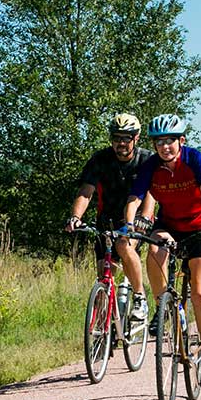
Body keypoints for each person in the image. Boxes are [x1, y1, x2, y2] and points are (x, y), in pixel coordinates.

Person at [124, 113, 201, 389]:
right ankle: (161, 306)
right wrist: (128, 223)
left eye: (170, 141)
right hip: (170, 225)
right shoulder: (152, 166)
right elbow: (135, 197)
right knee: (154, 246)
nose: (164, 147)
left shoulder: (194, 159)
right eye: (159, 142)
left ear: (181, 141)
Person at [64, 113, 153, 328]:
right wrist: (76, 217)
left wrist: (145, 217)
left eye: (126, 138)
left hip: (135, 222)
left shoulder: (146, 160)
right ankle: (104, 331)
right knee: (105, 275)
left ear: (136, 138)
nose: (121, 143)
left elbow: (152, 193)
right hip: (106, 221)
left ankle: (140, 298)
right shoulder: (100, 159)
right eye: (116, 138)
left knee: (124, 246)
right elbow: (86, 192)